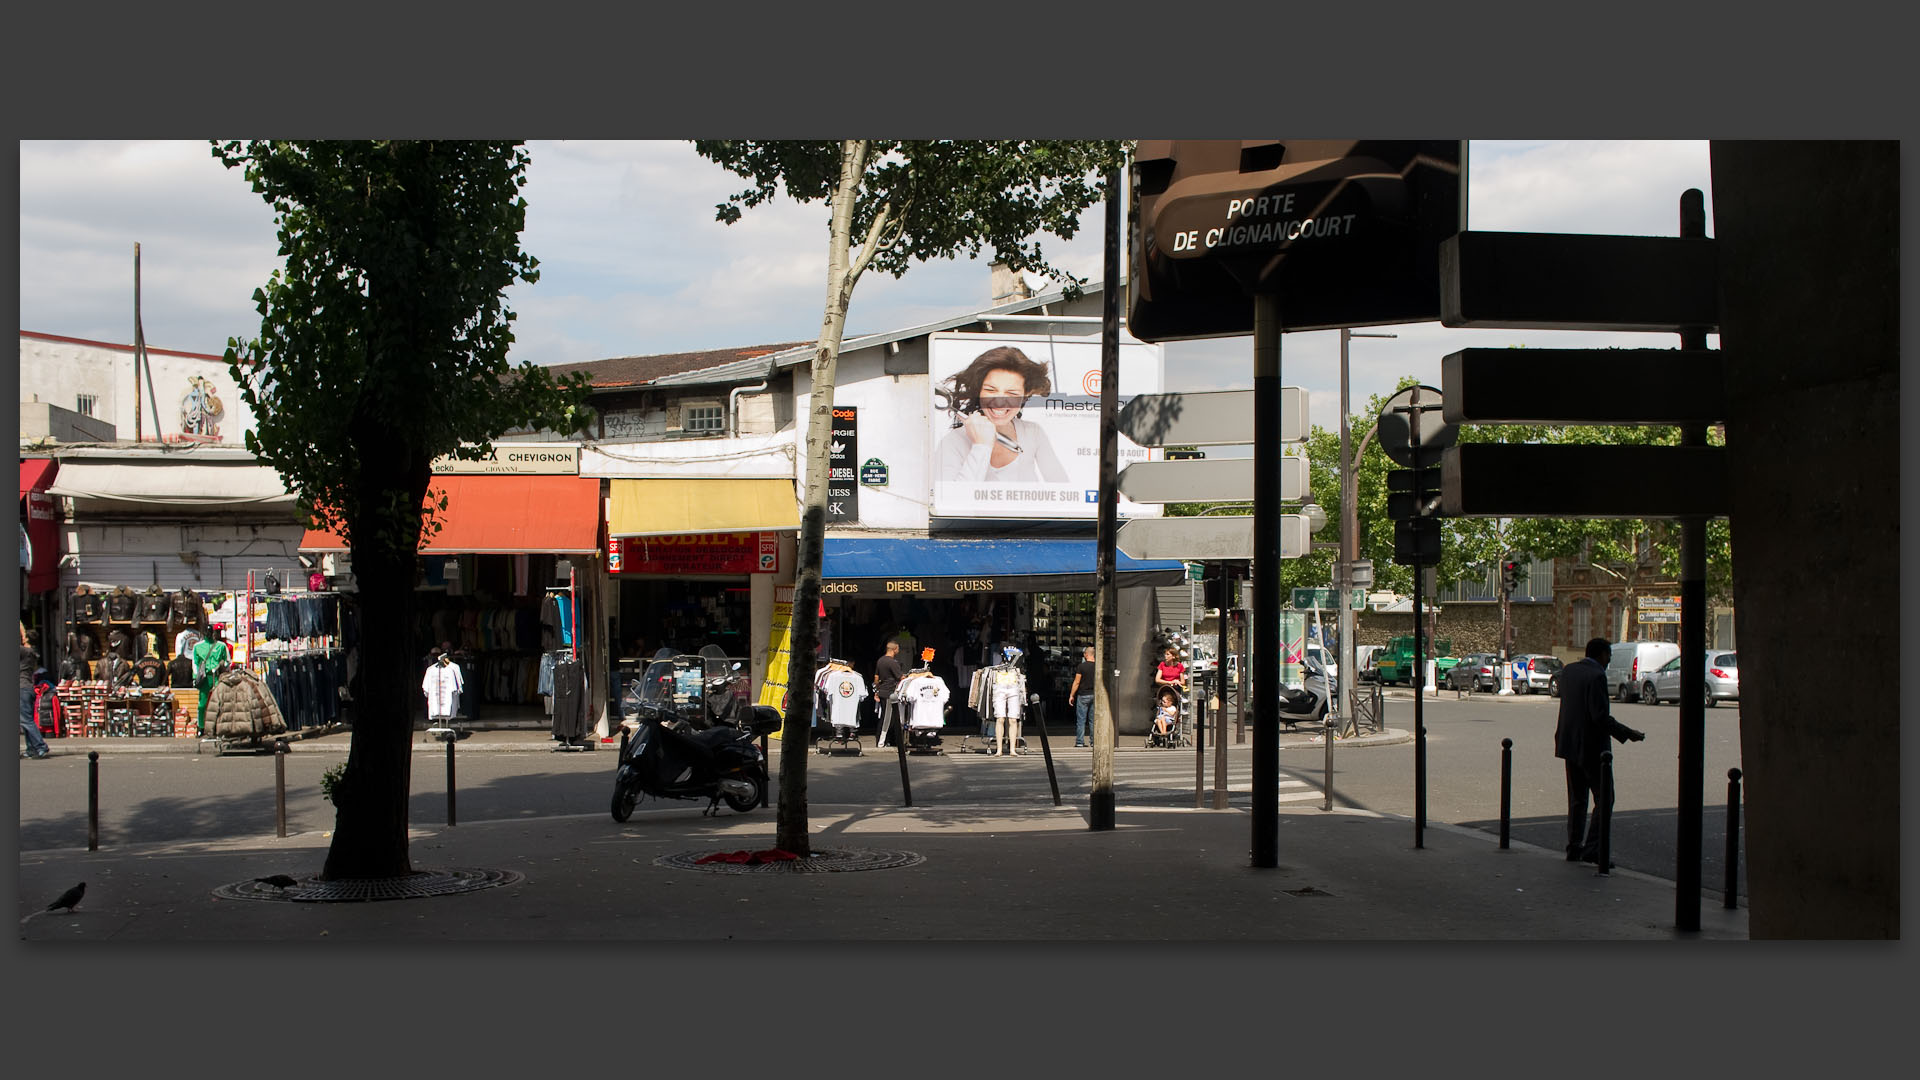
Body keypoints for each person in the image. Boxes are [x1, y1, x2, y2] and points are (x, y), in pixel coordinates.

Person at [1554, 637, 1647, 867]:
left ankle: (1574, 847)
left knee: (1577, 800)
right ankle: (1593, 849)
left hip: (1569, 743)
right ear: (1602, 655)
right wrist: (1628, 733)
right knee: (1605, 798)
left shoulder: (1569, 672)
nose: (1609, 662)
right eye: (1608, 657)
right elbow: (1599, 717)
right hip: (1593, 748)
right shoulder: (1597, 676)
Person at [933, 346, 1069, 483]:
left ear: (1024, 396)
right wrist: (981, 446)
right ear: (978, 391)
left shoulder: (1033, 433)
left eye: (1012, 393)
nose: (999, 402)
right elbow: (953, 500)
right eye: (991, 390)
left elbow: (1063, 491)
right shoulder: (952, 442)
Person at [20, 627, 51, 759]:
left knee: (26, 720)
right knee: (26, 719)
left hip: (22, 688)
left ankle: (40, 745)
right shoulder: (32, 652)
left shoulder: (25, 651)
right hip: (28, 688)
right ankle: (31, 748)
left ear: (26, 639)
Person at [871, 641, 906, 747]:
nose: (898, 651)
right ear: (894, 649)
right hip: (889, 692)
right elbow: (900, 677)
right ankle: (881, 741)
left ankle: (888, 740)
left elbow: (876, 677)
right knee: (887, 718)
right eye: (898, 649)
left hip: (882, 691)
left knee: (888, 717)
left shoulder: (880, 660)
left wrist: (877, 690)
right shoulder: (893, 662)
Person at [1069, 646, 1096, 747]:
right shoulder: (1098, 667)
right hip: (1094, 695)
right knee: (1093, 720)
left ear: (1086, 654)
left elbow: (1077, 682)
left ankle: (1080, 742)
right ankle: (1093, 741)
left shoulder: (1081, 666)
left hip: (1083, 695)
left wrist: (1071, 695)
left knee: (1081, 720)